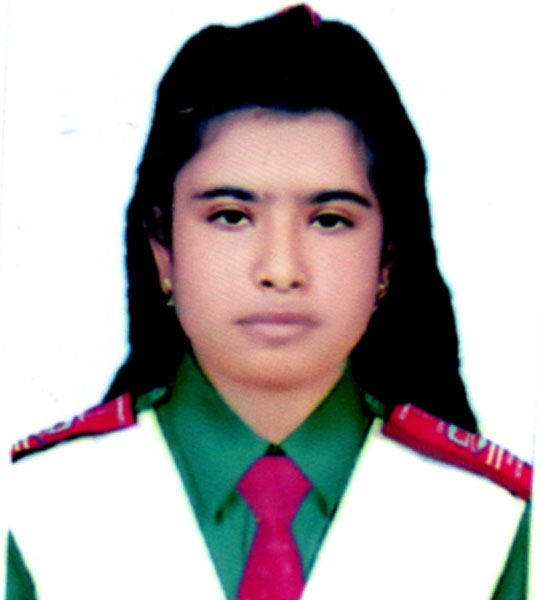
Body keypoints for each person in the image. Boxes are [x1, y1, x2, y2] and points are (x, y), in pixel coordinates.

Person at [6, 5, 532, 599]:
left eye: (329, 220)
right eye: (231, 216)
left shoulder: (495, 520)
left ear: (387, 258)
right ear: (162, 246)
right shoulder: (35, 507)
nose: (281, 270)